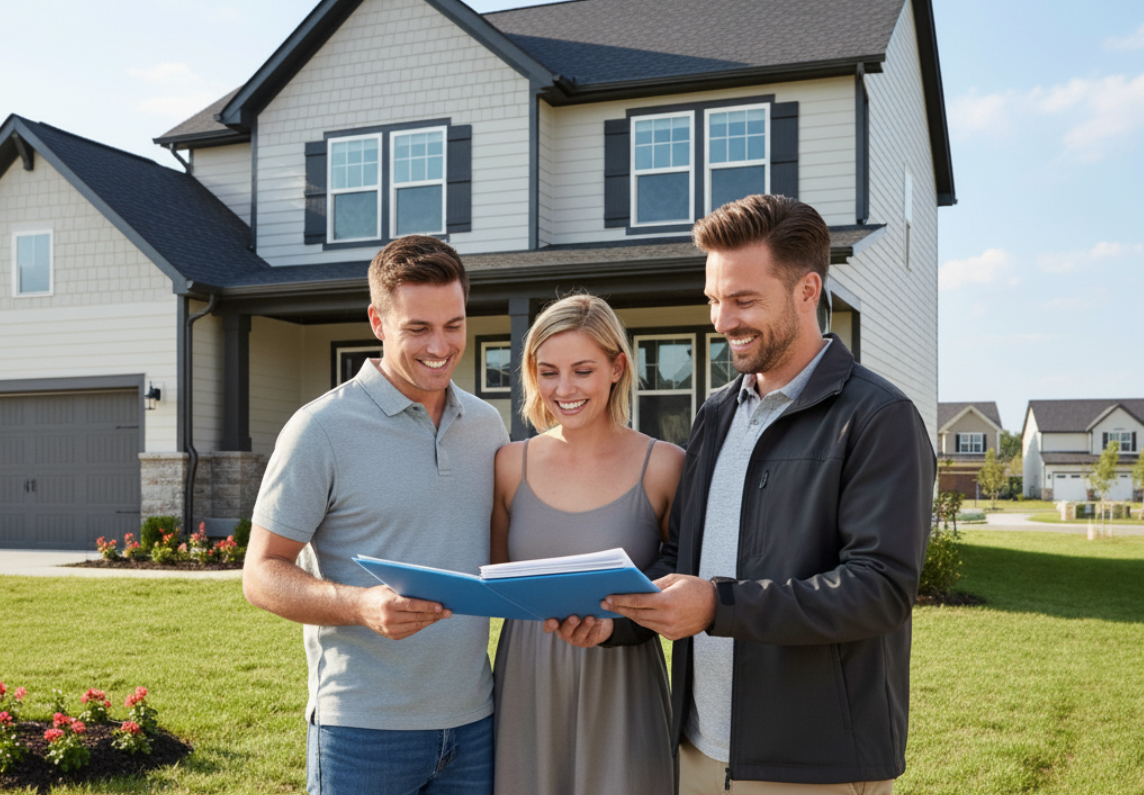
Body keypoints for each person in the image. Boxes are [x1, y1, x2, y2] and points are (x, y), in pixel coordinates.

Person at [580, 194, 935, 794]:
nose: (721, 321)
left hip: (812, 766)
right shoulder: (718, 411)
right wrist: (615, 618)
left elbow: (879, 590)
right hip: (696, 751)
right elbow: (682, 558)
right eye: (715, 300)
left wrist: (718, 606)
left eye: (743, 300)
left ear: (807, 291)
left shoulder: (878, 417)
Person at [242, 235, 509, 795]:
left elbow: (497, 556)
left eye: (454, 325)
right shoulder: (320, 429)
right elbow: (261, 573)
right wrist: (360, 605)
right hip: (363, 730)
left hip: (475, 722)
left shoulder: (487, 426)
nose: (441, 346)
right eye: (418, 329)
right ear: (377, 322)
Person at [490, 294, 684, 795]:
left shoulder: (665, 465)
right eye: (548, 371)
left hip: (622, 680)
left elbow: (678, 577)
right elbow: (494, 576)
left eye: (582, 370)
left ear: (617, 367)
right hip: (527, 681)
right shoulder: (509, 464)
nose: (564, 389)